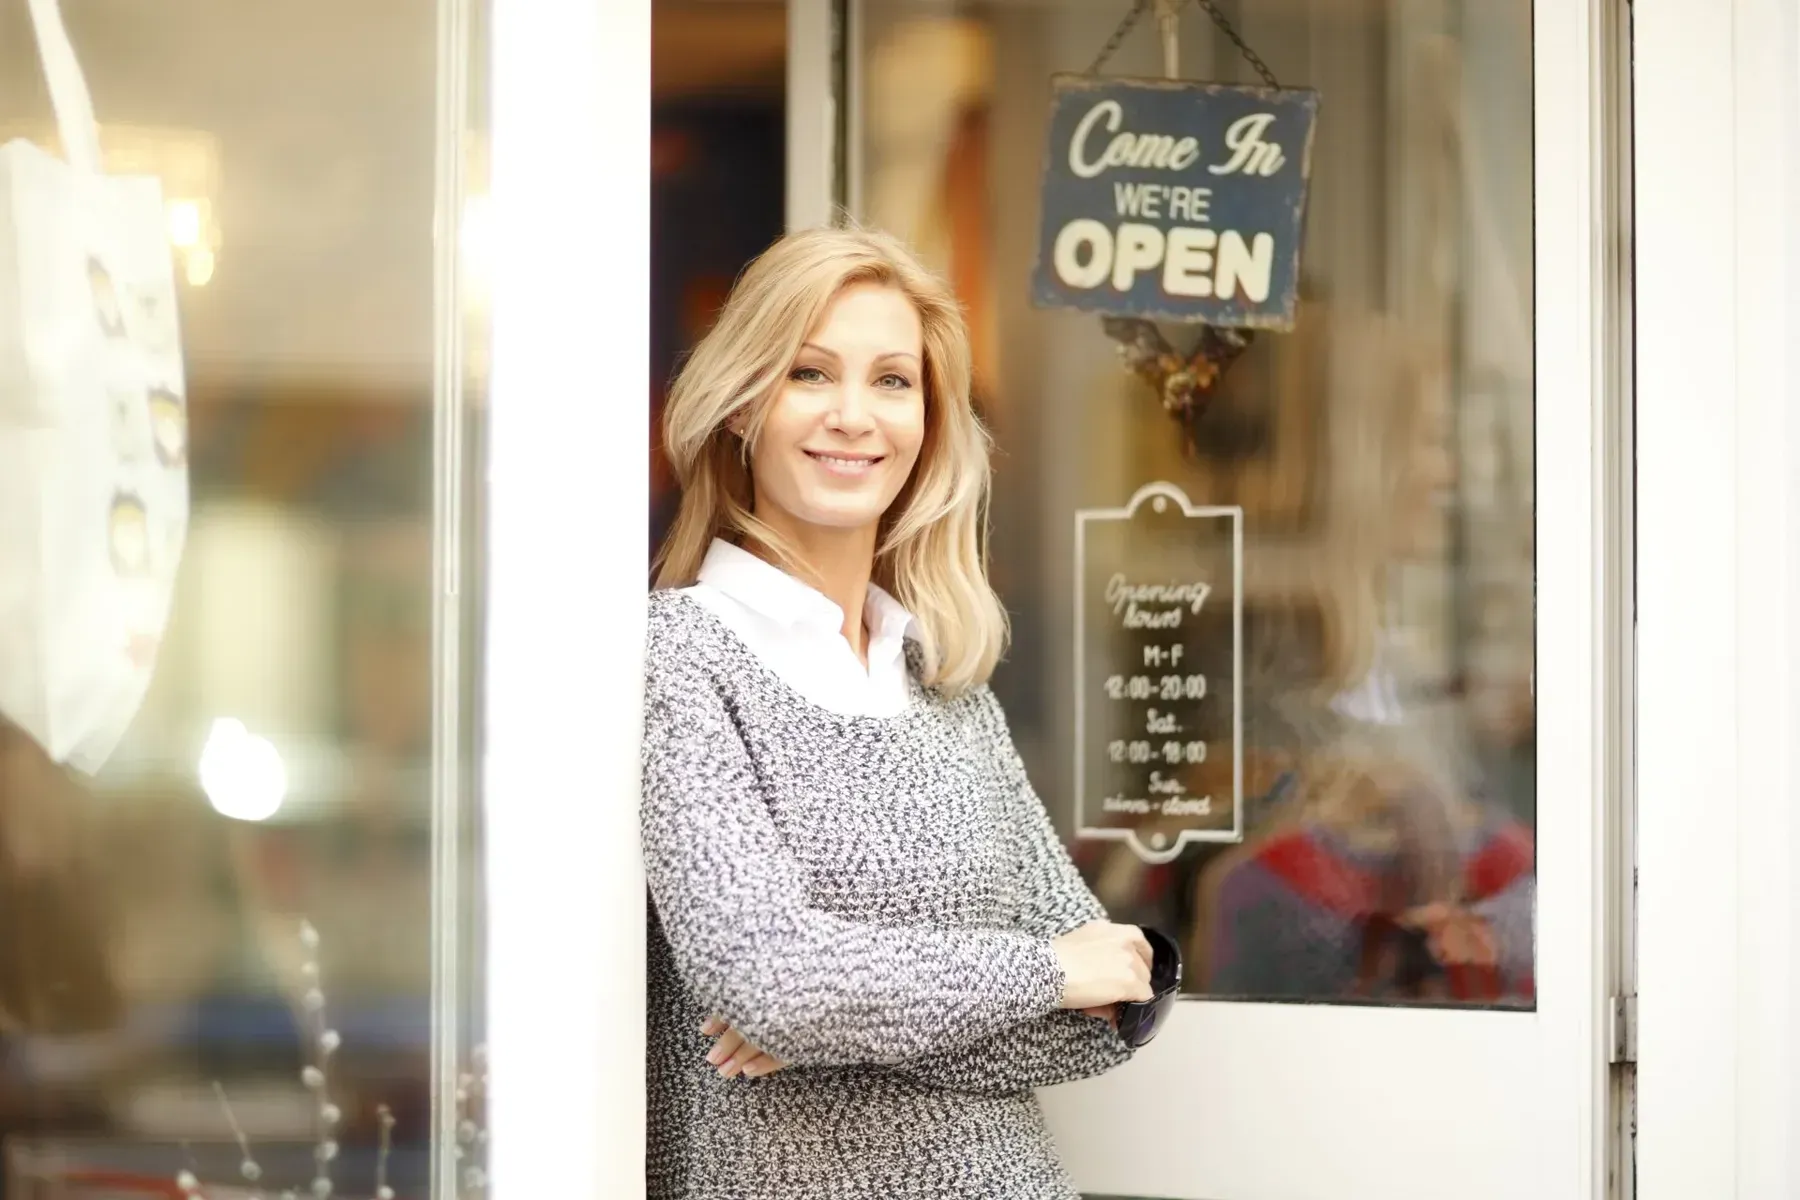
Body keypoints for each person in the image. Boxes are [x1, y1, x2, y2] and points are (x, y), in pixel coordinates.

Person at [640, 225, 1154, 1199]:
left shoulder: (942, 678)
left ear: (928, 420)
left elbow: (1106, 1013)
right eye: (808, 374)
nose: (852, 416)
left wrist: (843, 1018)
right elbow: (781, 985)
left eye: (892, 380)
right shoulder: (680, 655)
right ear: (745, 404)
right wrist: (1043, 971)